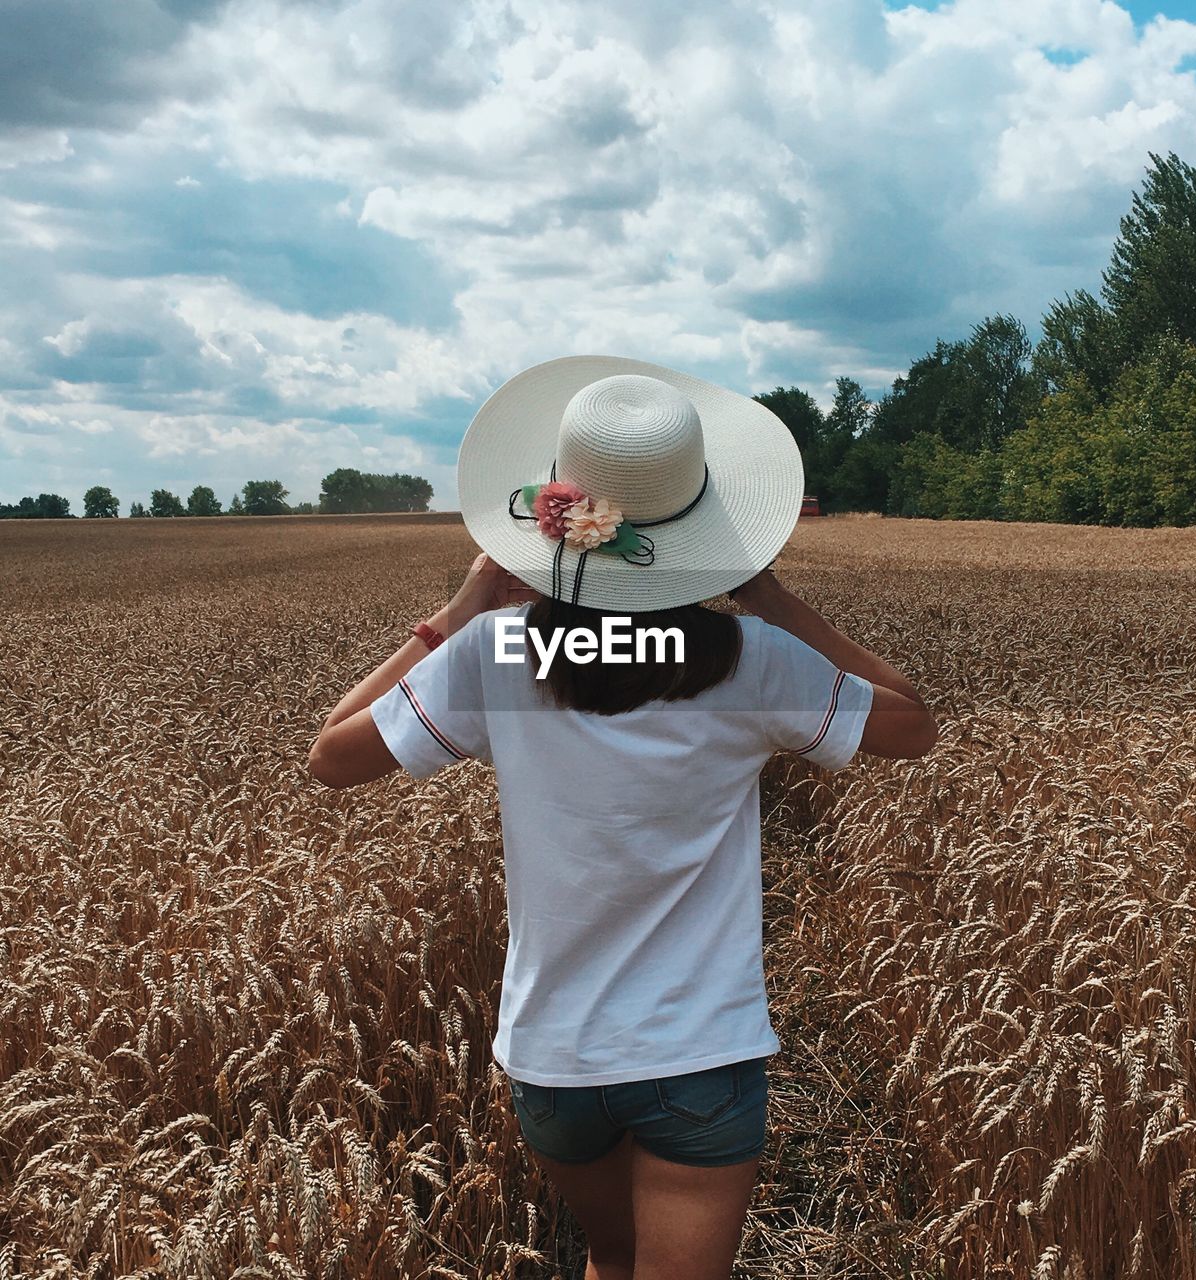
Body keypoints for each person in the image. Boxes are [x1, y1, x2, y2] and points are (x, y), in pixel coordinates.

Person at [307, 356, 938, 1280]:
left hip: (556, 1062)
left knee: (609, 1258)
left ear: (555, 517)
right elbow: (914, 723)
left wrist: (464, 606)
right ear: (703, 531)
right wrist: (769, 597)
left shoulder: (496, 653)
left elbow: (330, 754)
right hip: (699, 1055)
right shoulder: (752, 660)